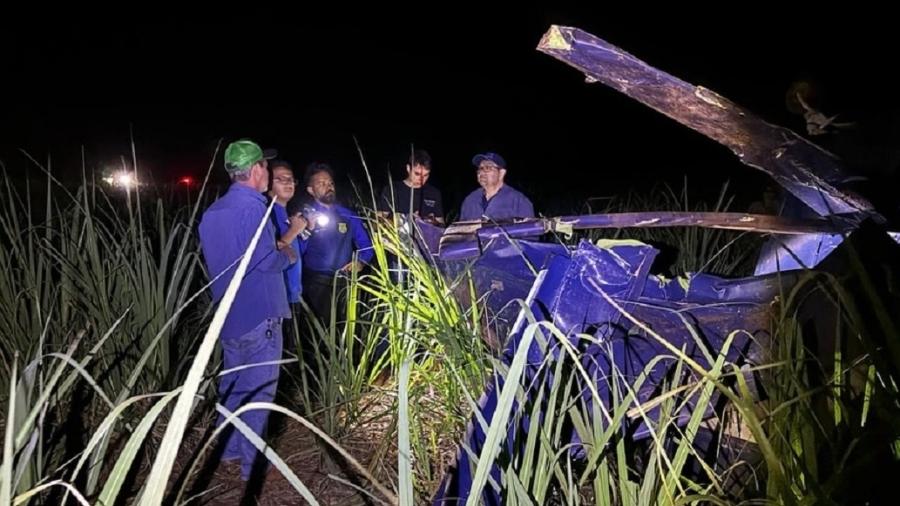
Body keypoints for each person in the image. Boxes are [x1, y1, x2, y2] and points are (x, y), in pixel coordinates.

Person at [198, 139, 302, 480]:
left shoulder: (212, 212)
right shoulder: (254, 208)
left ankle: (226, 451)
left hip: (229, 317)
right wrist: (287, 253)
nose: (268, 172)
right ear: (257, 170)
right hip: (261, 316)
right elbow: (266, 260)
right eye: (266, 166)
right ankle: (251, 466)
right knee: (258, 393)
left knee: (234, 388)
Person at [299, 162, 374, 325]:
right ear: (310, 190)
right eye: (322, 183)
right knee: (317, 333)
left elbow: (366, 245)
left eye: (331, 183)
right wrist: (308, 229)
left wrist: (360, 262)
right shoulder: (304, 216)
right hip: (315, 284)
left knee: (345, 330)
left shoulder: (348, 215)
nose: (329, 187)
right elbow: (297, 251)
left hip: (344, 282)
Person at [459, 152, 534, 221]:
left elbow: (531, 232)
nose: (481, 172)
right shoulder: (470, 200)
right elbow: (459, 232)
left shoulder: (518, 201)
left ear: (501, 173)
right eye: (480, 168)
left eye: (487, 168)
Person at [378, 148, 444, 224]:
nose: (421, 179)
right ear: (408, 168)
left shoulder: (434, 193)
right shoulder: (392, 189)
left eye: (426, 175)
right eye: (417, 174)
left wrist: (432, 222)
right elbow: (377, 220)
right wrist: (405, 219)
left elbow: (441, 224)